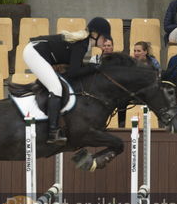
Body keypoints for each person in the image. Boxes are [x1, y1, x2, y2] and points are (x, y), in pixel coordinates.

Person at [23, 17, 111, 145]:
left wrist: (91, 68)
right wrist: (94, 67)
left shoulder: (84, 44)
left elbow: (75, 70)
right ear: (95, 34)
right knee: (56, 88)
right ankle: (53, 132)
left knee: (58, 85)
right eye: (104, 37)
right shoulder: (82, 44)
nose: (106, 40)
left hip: (38, 51)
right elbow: (74, 72)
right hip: (34, 52)